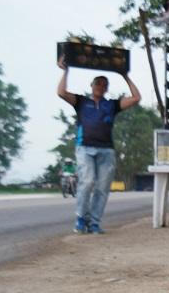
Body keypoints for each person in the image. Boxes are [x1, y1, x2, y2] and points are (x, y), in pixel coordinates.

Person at [57, 57, 140, 233]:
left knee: (102, 187)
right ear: (92, 86)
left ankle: (94, 222)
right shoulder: (81, 102)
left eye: (104, 85)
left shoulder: (112, 105)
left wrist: (125, 76)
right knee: (87, 182)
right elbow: (61, 92)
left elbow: (136, 98)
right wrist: (66, 71)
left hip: (106, 150)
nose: (100, 87)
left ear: (106, 88)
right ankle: (81, 218)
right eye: (98, 84)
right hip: (85, 147)